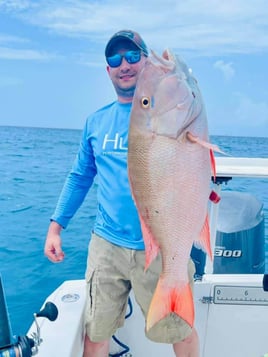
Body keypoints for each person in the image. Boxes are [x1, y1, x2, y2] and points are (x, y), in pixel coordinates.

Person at [44, 29, 199, 357]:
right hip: (106, 246)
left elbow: (192, 163)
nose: (124, 64)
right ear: (107, 70)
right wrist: (56, 227)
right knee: (96, 333)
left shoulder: (171, 112)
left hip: (159, 246)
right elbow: (79, 177)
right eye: (115, 59)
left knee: (180, 331)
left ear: (145, 61)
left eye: (132, 56)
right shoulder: (96, 122)